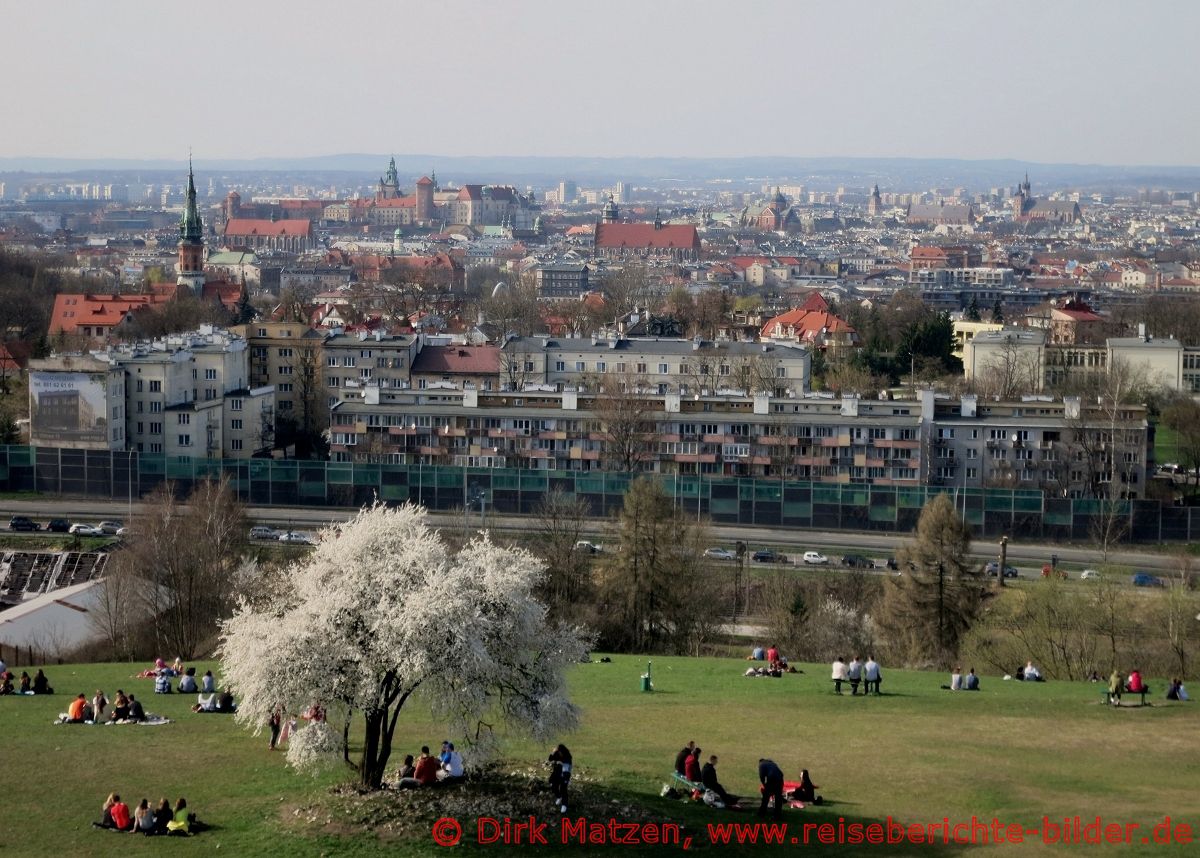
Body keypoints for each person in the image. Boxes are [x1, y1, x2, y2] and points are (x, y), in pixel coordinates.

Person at [548, 744, 572, 813]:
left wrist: (565, 779)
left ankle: (564, 805)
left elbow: (566, 769)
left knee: (563, 788)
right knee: (552, 784)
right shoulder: (557, 753)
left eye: (560, 752)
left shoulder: (567, 758)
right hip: (557, 771)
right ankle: (559, 796)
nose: (559, 754)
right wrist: (553, 752)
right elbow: (550, 759)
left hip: (565, 773)